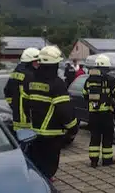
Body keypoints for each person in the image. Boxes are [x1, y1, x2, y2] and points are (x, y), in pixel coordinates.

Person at [24, 45, 79, 181]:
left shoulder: (30, 80)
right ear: (54, 65)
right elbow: (64, 110)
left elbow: (24, 104)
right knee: (49, 165)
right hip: (52, 134)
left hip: (33, 132)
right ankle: (46, 188)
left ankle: (39, 181)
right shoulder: (57, 84)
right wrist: (73, 127)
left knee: (36, 161)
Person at [82, 54, 115, 167]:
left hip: (93, 114)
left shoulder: (89, 79)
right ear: (106, 68)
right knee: (107, 137)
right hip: (106, 113)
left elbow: (85, 95)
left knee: (94, 137)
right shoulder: (110, 79)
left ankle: (94, 161)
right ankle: (107, 160)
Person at [4, 47, 40, 131]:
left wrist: (13, 105)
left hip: (17, 118)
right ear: (30, 62)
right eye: (36, 61)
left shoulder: (15, 73)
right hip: (29, 120)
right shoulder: (30, 75)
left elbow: (7, 91)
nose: (38, 64)